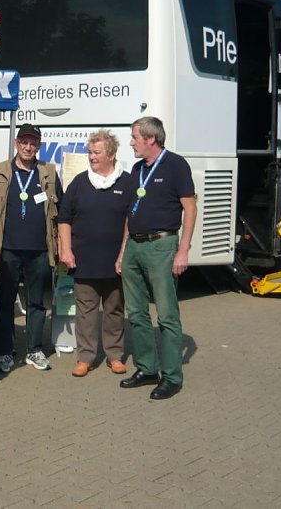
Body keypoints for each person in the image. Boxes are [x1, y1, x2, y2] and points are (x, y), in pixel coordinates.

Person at [117, 116, 196, 401]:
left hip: (162, 246)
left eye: (135, 137)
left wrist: (183, 250)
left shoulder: (176, 165)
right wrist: (123, 250)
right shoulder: (137, 169)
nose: (131, 142)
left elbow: (190, 208)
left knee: (166, 315)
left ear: (151, 138)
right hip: (134, 247)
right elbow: (131, 212)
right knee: (136, 313)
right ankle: (147, 368)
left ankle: (172, 376)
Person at [0, 124, 62, 373]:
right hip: (6, 250)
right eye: (24, 142)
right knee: (5, 304)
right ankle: (5, 352)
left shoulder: (49, 172)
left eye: (33, 143)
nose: (29, 147)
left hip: (40, 250)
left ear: (38, 145)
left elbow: (59, 210)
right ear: (16, 143)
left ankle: (34, 349)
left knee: (37, 302)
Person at [58, 129, 132, 377]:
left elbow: (131, 220)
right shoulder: (79, 182)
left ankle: (114, 355)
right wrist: (66, 249)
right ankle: (86, 357)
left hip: (116, 261)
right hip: (84, 261)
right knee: (86, 312)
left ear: (111, 155)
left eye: (97, 152)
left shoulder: (127, 182)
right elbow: (64, 219)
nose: (91, 157)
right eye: (90, 152)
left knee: (115, 310)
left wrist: (124, 254)